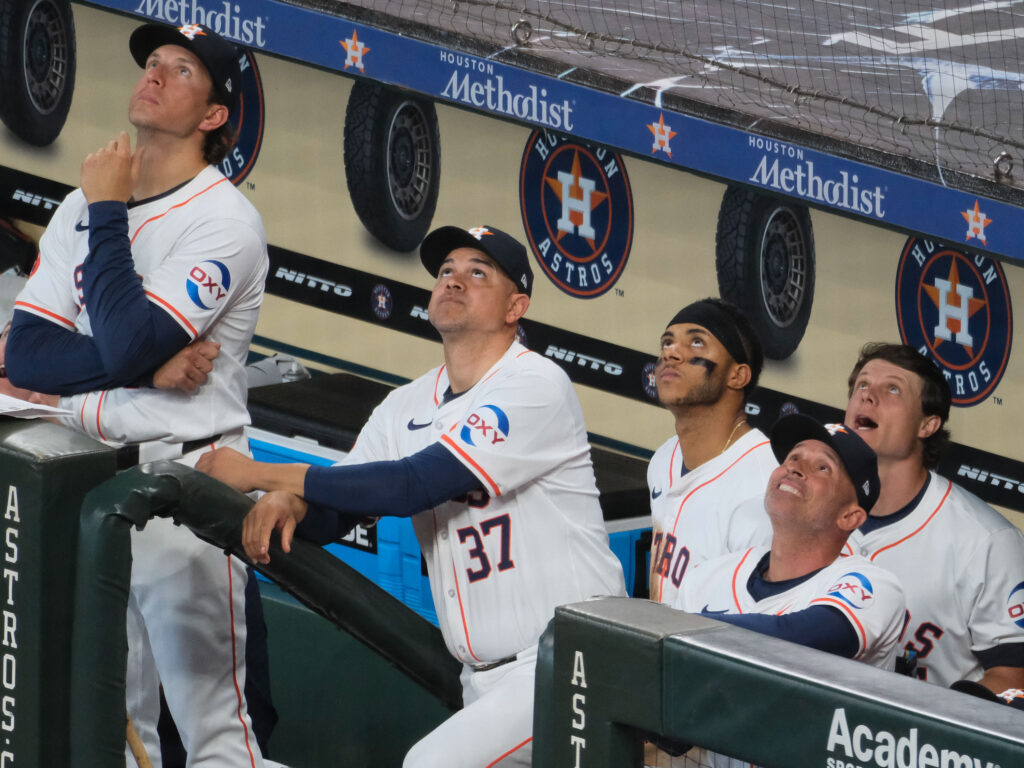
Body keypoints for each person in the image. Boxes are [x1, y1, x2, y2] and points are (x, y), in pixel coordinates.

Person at [197, 224, 627, 767]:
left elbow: (413, 484)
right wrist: (292, 503)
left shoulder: (535, 383)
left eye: (478, 273)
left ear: (516, 306)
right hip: (485, 679)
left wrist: (262, 474)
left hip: (568, 660)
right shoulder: (406, 405)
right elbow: (338, 509)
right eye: (446, 270)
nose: (454, 280)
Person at [2, 22, 270, 767]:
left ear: (213, 116)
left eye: (180, 70)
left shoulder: (224, 223)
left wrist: (112, 213)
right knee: (113, 732)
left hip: (184, 488)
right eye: (151, 62)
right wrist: (147, 367)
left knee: (217, 733)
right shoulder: (78, 203)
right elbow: (27, 354)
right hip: (91, 479)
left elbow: (117, 343)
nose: (153, 74)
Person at [655, 415, 906, 768]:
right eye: (793, 458)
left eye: (823, 468)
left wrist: (679, 628)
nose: (797, 469)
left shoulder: (871, 585)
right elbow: (674, 721)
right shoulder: (708, 578)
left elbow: (798, 639)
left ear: (850, 517)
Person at [842, 343, 1024, 696]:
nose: (867, 397)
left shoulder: (986, 541)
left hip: (917, 742)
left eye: (892, 389)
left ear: (928, 424)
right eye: (862, 386)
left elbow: (1015, 679)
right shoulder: (806, 509)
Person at [648, 298, 776, 605]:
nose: (671, 352)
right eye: (667, 342)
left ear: (738, 375)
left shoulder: (765, 486)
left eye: (696, 342)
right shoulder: (663, 458)